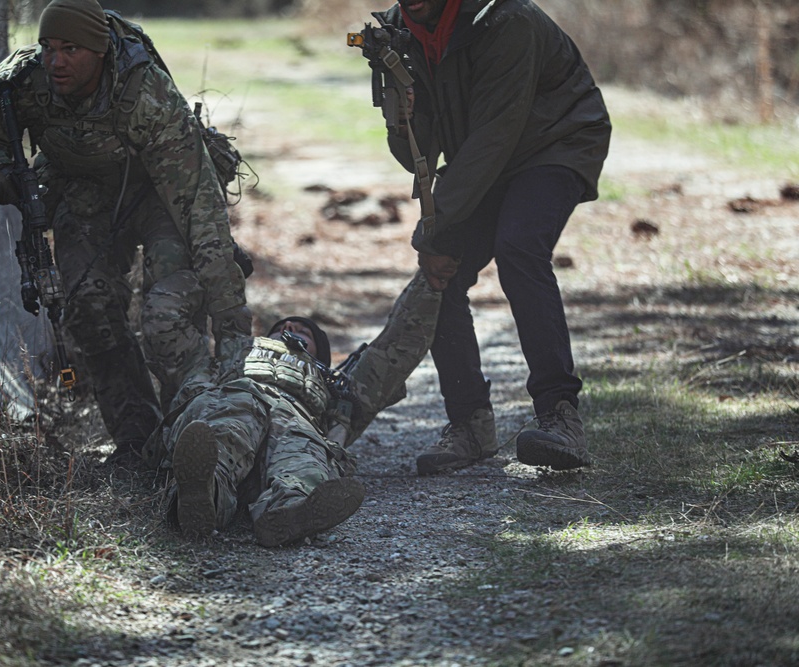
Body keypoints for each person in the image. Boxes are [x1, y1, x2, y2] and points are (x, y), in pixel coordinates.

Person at [0, 0, 251, 460]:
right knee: (89, 310)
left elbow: (198, 210)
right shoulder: (19, 82)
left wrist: (231, 327)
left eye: (70, 49)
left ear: (100, 50)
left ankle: (193, 427)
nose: (56, 61)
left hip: (157, 195)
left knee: (165, 313)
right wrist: (1, 175)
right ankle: (137, 439)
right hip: (82, 196)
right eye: (48, 47)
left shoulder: (146, 95)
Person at [370, 0, 611, 473]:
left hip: (554, 141)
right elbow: (415, 151)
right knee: (444, 273)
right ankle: (471, 424)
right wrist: (401, 109)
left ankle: (561, 417)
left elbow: (496, 133)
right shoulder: (396, 33)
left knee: (518, 246)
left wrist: (436, 230)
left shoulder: (506, 19)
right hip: (485, 155)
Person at [144, 270, 441, 547]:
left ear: (319, 357)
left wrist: (432, 278)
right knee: (230, 421)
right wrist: (213, 270)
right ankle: (202, 497)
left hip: (295, 426)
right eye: (283, 327)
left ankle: (288, 513)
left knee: (304, 457)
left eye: (304, 332)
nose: (289, 327)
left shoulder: (341, 391)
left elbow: (400, 343)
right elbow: (164, 316)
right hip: (232, 402)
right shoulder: (226, 356)